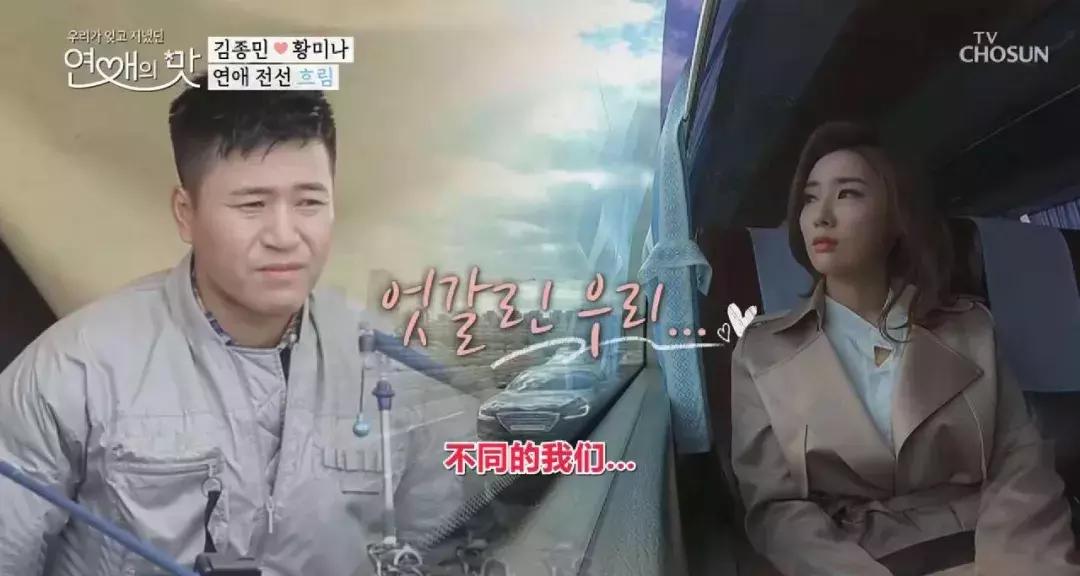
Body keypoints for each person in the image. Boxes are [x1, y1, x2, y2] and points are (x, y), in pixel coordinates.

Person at [0, 73, 463, 576]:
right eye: (252, 205)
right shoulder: (73, 371)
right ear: (186, 213)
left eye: (309, 202)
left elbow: (436, 549)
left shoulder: (396, 369)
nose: (284, 236)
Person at [729, 121, 1080, 575]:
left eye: (847, 194)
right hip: (859, 560)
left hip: (986, 545)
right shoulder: (761, 351)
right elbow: (776, 512)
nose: (821, 216)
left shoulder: (970, 328)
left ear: (896, 216)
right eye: (810, 199)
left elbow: (1020, 463)